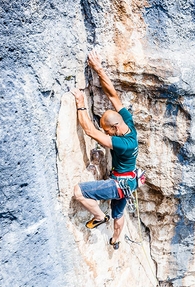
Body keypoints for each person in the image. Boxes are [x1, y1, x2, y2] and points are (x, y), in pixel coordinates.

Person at [71, 51, 139, 250]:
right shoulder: (128, 124)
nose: (105, 132)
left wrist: (80, 104)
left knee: (78, 192)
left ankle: (99, 216)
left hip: (118, 185)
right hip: (129, 182)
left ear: (115, 128)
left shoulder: (123, 144)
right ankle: (115, 240)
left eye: (107, 130)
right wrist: (98, 68)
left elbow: (90, 131)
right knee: (119, 214)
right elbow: (113, 95)